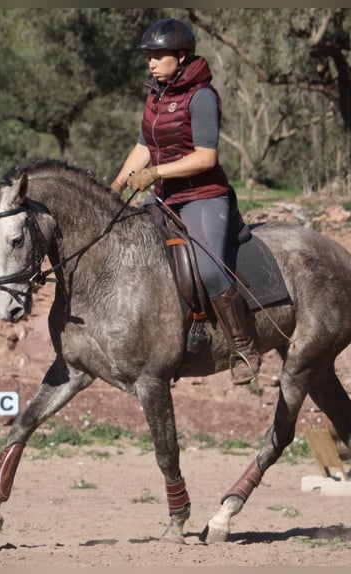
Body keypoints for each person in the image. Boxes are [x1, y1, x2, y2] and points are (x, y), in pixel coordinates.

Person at [110, 17, 260, 385]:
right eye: (149, 56)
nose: (151, 62)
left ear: (181, 56)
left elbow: (206, 157)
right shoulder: (155, 95)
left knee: (208, 269)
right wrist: (114, 186)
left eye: (158, 55)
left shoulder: (202, 96)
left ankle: (244, 348)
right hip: (165, 197)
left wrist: (157, 174)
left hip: (202, 196)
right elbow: (145, 146)